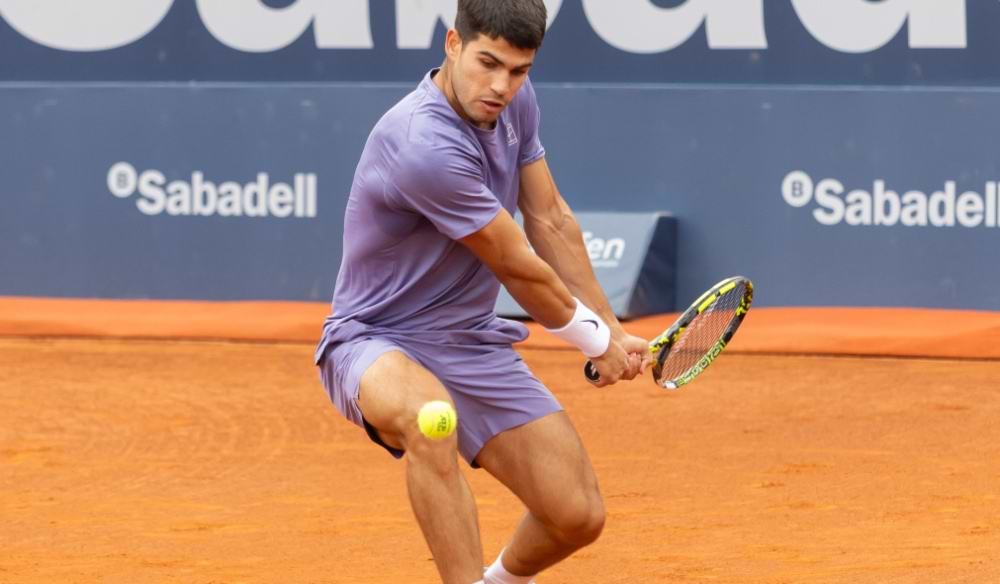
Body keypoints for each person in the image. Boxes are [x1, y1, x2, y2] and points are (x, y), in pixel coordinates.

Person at [315, 1, 652, 582]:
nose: (500, 86)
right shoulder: (422, 143)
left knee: (576, 515)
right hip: (375, 342)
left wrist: (610, 325)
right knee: (431, 418)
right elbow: (515, 262)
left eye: (519, 70)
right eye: (488, 63)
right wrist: (596, 342)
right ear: (453, 43)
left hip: (469, 342)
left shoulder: (516, 104)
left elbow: (549, 219)